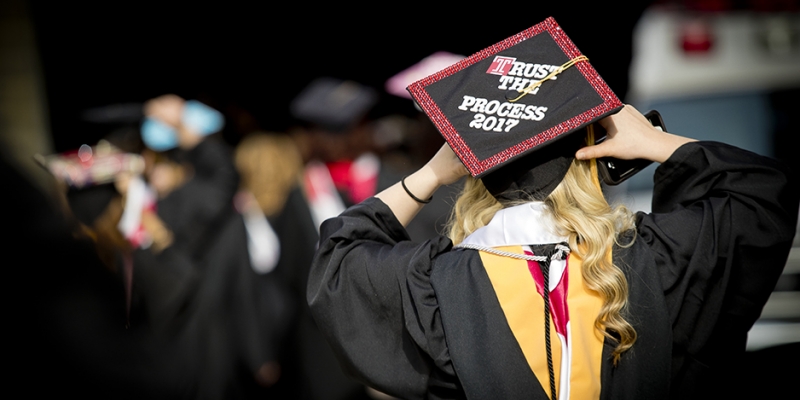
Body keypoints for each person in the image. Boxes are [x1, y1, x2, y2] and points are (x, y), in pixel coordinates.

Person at [307, 101, 798, 399]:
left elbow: (339, 256)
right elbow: (759, 188)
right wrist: (654, 141)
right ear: (589, 166)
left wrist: (433, 173)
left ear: (474, 178)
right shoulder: (652, 259)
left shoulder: (436, 285)